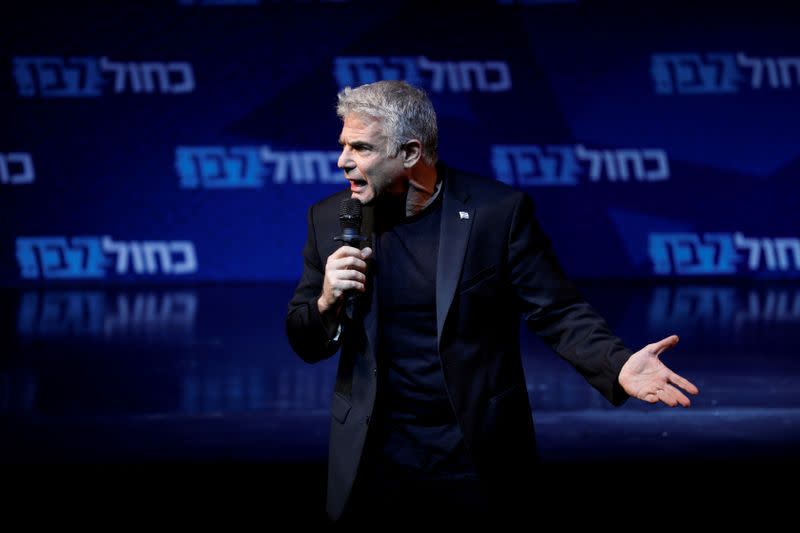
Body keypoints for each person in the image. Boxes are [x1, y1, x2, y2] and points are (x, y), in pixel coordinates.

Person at [285, 80, 699, 525]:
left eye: (361, 148)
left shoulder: (495, 212)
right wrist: (327, 301)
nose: (342, 160)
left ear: (410, 153)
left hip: (472, 449)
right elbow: (305, 339)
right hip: (372, 454)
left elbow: (556, 310)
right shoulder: (330, 218)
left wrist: (617, 364)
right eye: (343, 145)